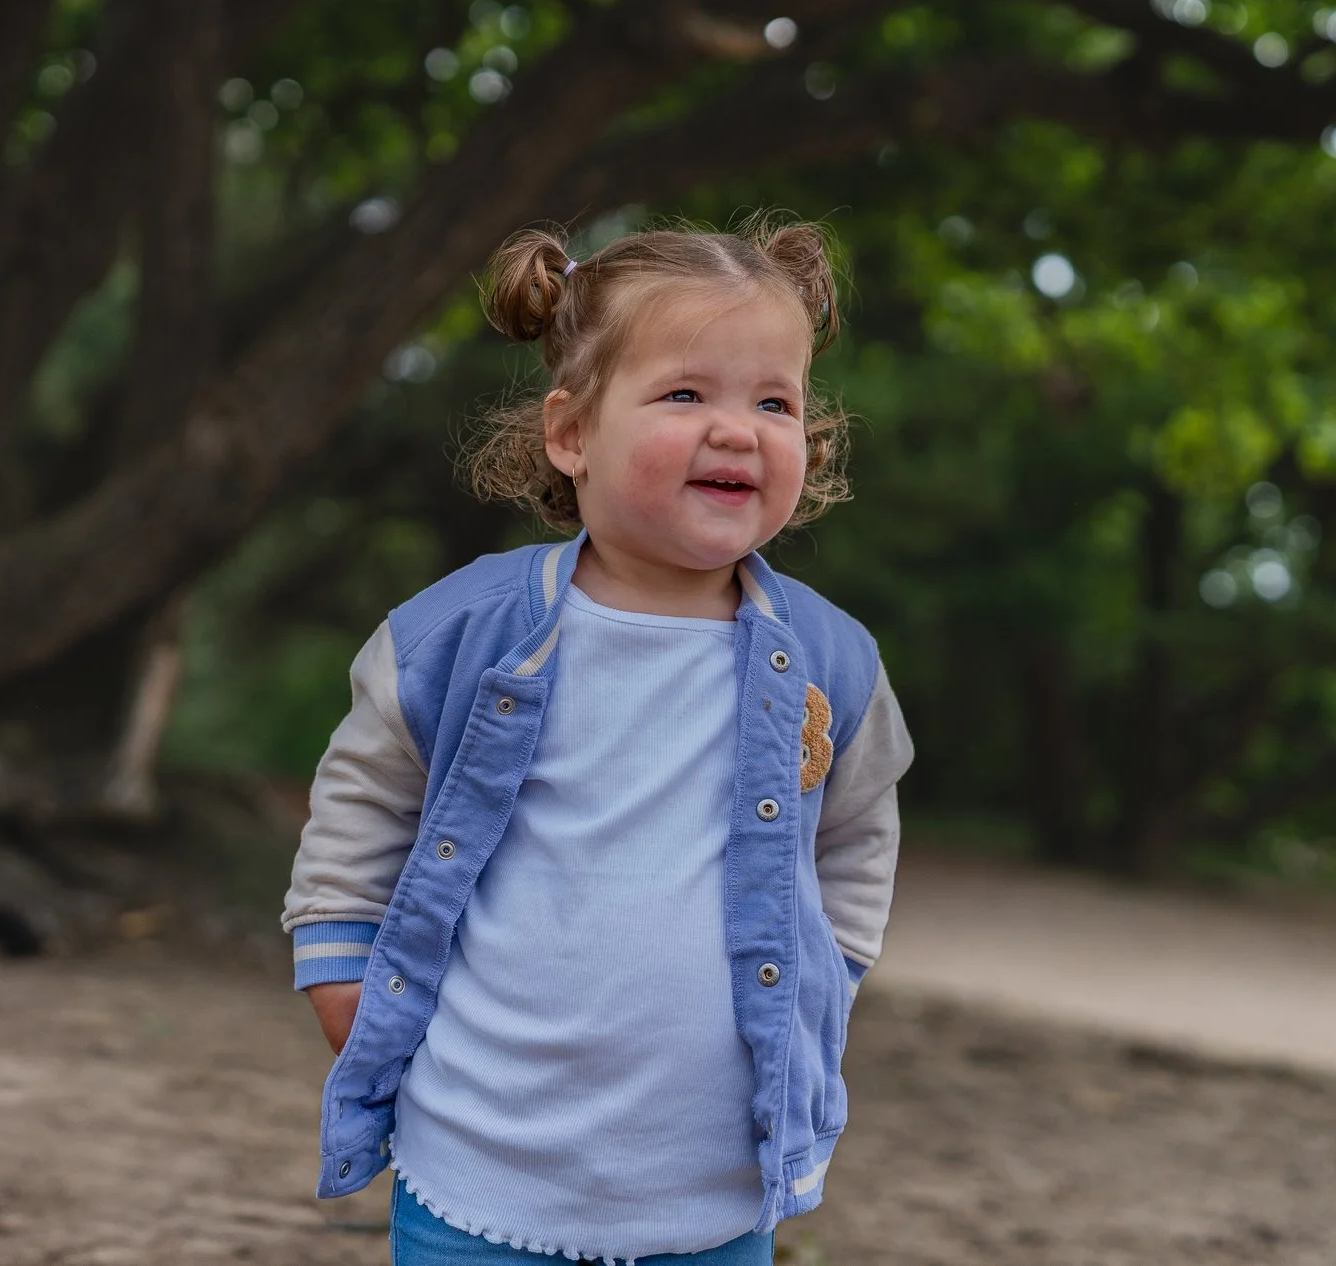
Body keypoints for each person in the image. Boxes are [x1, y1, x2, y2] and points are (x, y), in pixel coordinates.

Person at [281, 217, 914, 1265]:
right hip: (482, 1155)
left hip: (709, 1182)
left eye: (774, 401)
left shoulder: (831, 662)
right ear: (571, 432)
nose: (736, 429)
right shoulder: (463, 636)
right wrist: (341, 961)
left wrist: (825, 973)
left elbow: (854, 834)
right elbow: (366, 796)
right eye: (684, 394)